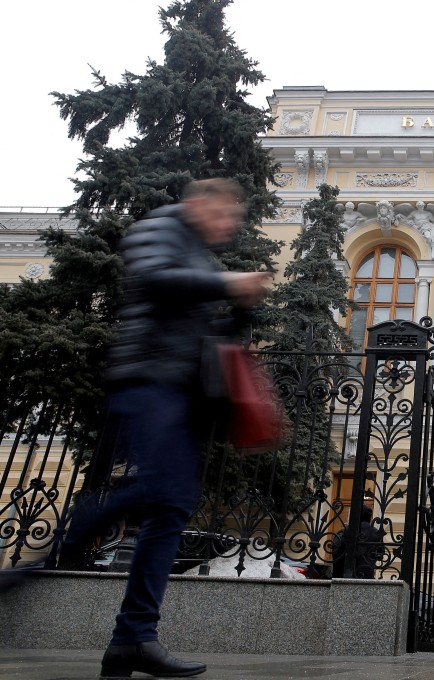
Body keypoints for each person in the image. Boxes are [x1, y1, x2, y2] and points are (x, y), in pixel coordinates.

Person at [62, 178, 272, 679]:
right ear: (200, 203)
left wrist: (243, 310)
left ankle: (131, 640)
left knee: (170, 507)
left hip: (181, 391)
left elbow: (210, 331)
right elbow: (155, 279)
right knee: (162, 492)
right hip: (147, 380)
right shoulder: (158, 227)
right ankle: (65, 546)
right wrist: (228, 285)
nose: (228, 227)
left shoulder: (201, 257)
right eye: (224, 216)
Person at [333, 505, 384, 579]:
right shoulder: (376, 532)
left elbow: (339, 551)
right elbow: (380, 554)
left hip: (348, 571)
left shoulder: (349, 529)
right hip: (367, 572)